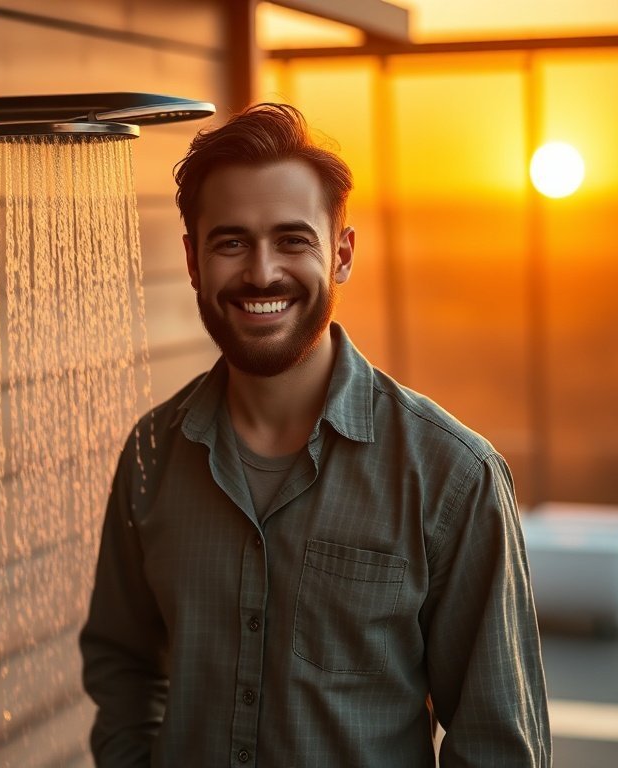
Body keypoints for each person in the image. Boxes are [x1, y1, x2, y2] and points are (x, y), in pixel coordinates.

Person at [79, 103, 551, 767]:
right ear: (192, 259)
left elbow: (499, 746)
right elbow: (123, 667)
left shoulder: (453, 475)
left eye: (293, 240)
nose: (262, 273)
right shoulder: (151, 453)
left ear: (342, 254)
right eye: (231, 241)